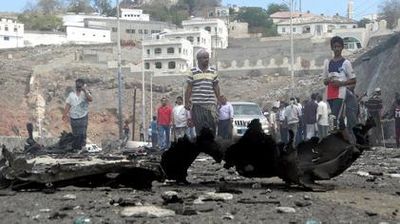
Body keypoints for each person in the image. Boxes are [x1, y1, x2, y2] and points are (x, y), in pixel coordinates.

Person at [322, 36, 357, 143]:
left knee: (333, 119)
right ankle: (350, 143)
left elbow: (353, 80)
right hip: (330, 93)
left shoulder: (346, 63)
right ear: (332, 48)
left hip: (340, 93)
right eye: (334, 46)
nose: (337, 48)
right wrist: (328, 80)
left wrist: (341, 83)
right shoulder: (327, 63)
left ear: (342, 48)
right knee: (340, 121)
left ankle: (334, 143)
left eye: (339, 46)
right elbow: (324, 80)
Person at [185, 49, 221, 136]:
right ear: (198, 59)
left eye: (207, 57)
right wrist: (186, 102)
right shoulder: (192, 72)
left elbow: (216, 86)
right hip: (198, 105)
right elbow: (189, 88)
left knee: (212, 128)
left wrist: (218, 99)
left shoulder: (213, 71)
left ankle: (211, 147)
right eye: (204, 58)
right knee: (200, 129)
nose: (207, 60)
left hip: (210, 105)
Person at [62, 79, 93, 150]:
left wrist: (85, 90)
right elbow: (68, 105)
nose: (78, 87)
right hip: (73, 117)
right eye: (77, 85)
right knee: (75, 133)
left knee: (82, 133)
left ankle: (82, 147)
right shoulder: (71, 95)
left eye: (80, 85)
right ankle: (76, 148)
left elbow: (90, 99)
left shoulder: (86, 94)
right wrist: (64, 114)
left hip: (83, 116)